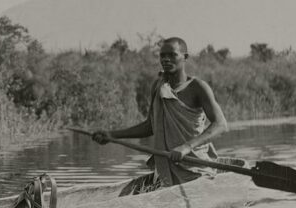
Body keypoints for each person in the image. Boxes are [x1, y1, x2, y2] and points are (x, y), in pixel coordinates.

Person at [93, 37, 228, 193]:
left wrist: (186, 147)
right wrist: (112, 135)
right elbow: (150, 125)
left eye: (172, 55)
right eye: (162, 55)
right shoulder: (158, 86)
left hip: (195, 169)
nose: (166, 59)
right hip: (166, 170)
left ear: (185, 57)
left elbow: (221, 124)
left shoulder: (197, 87)